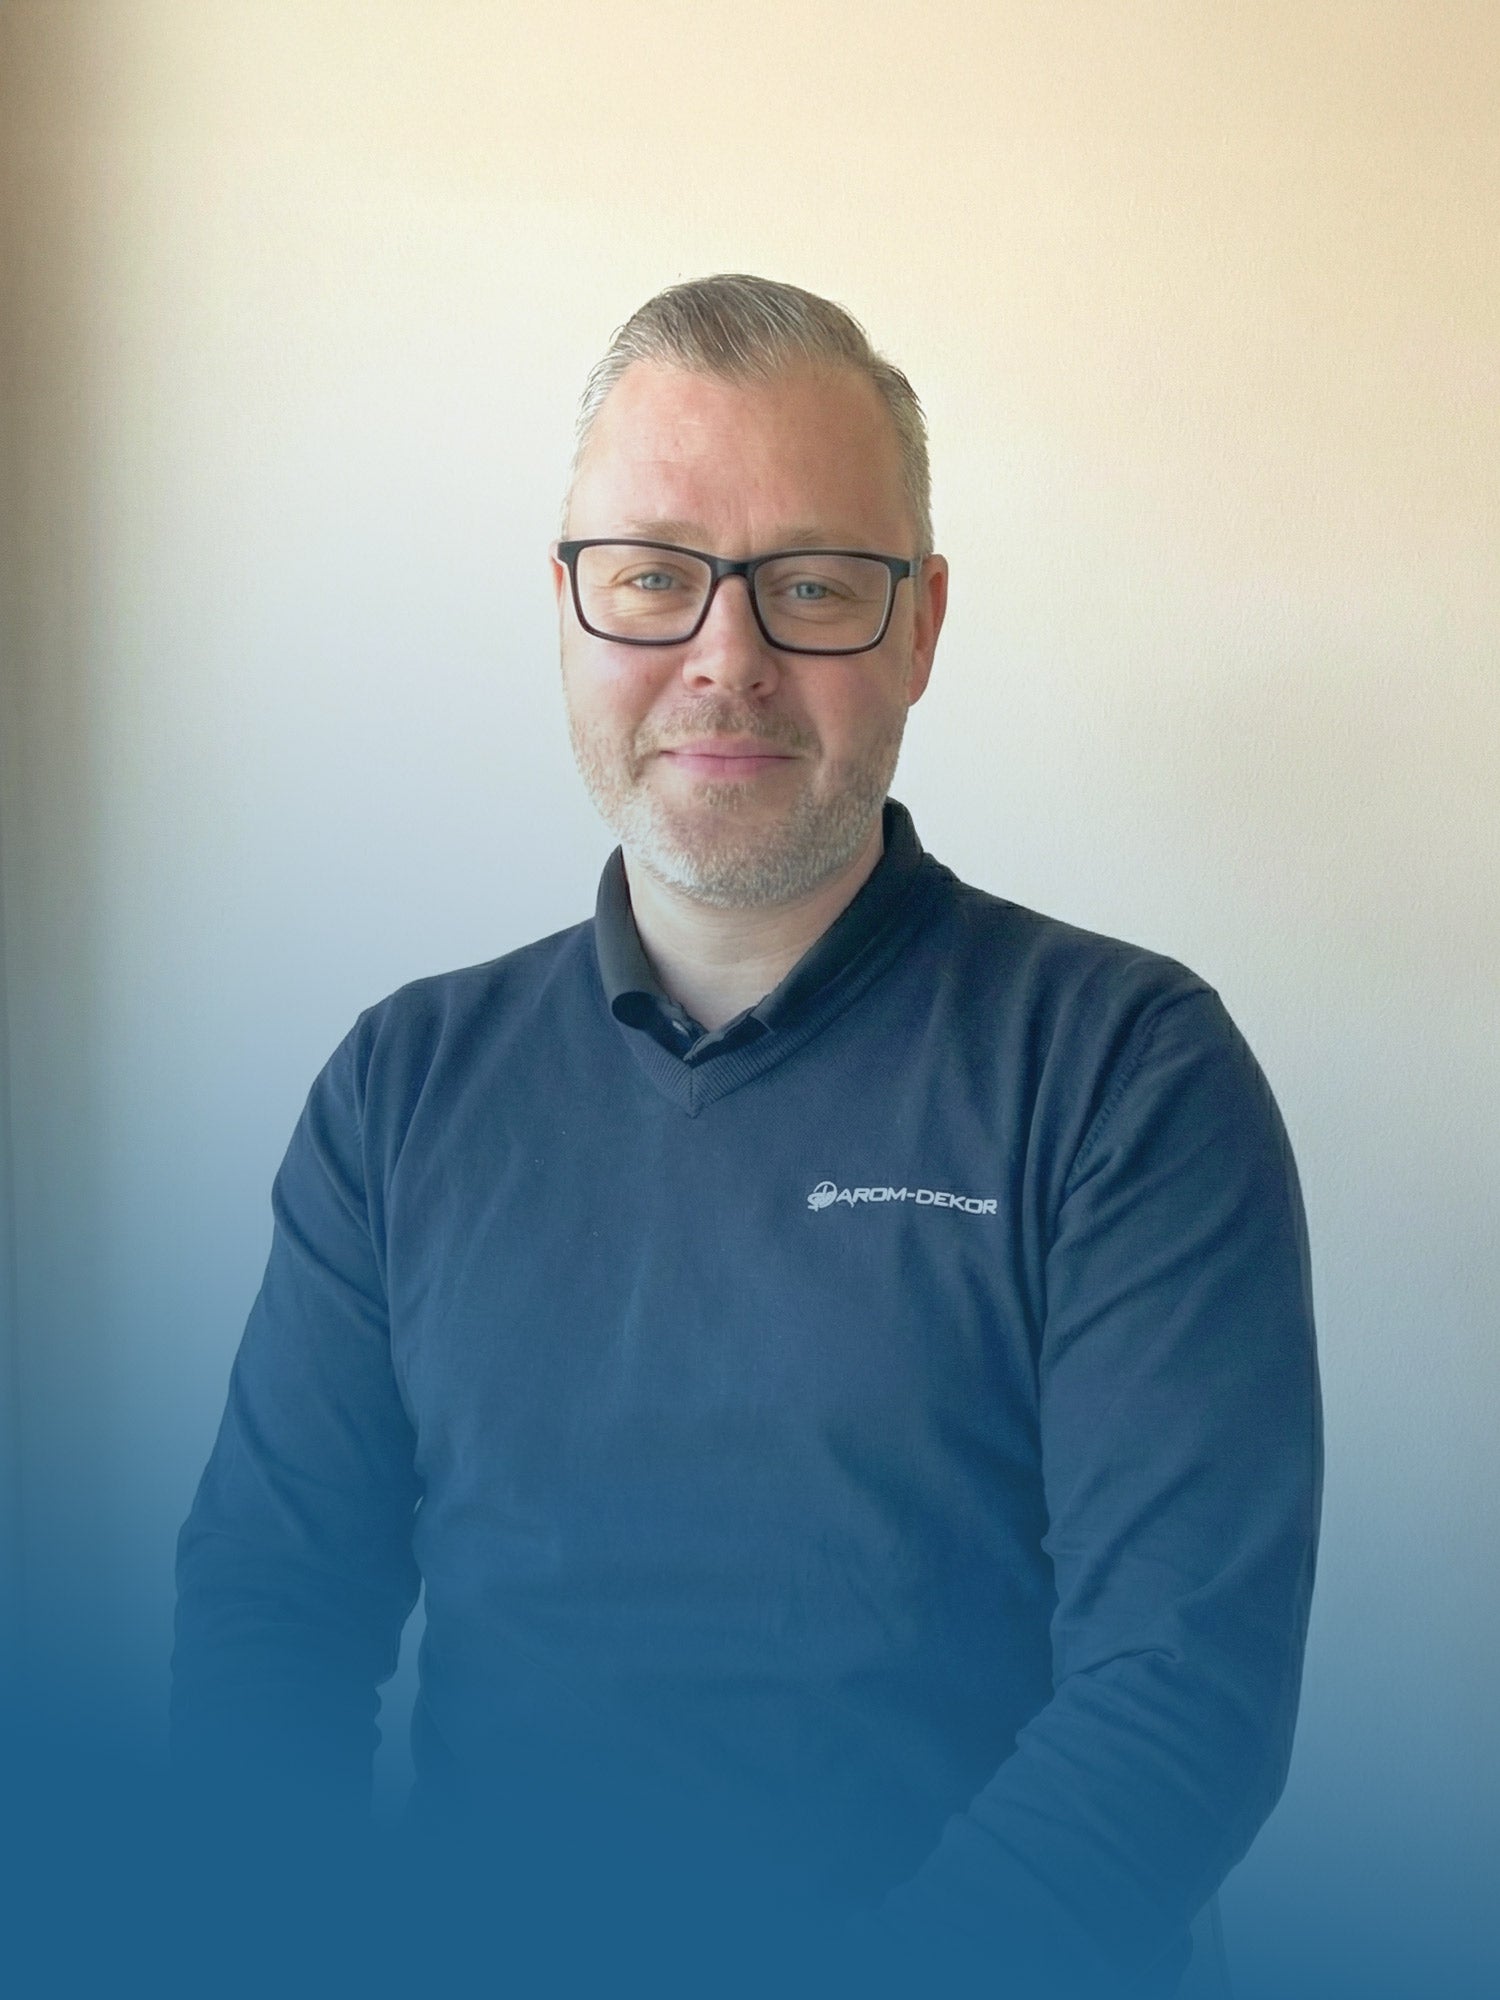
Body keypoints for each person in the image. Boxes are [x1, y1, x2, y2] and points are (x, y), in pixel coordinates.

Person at [171, 274, 1322, 1999]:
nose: (727, 657)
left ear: (922, 627)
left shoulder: (1123, 1071)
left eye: (813, 584)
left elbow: (1183, 1702)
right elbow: (270, 1624)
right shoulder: (402, 1084)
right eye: (655, 576)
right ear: (567, 611)